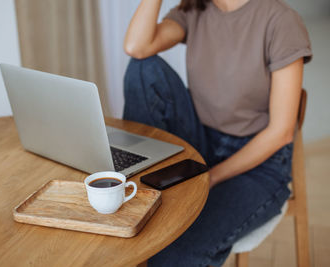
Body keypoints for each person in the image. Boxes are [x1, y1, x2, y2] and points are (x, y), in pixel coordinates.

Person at [123, 0, 312, 266]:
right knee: (143, 67)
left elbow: (281, 132)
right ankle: (138, 181)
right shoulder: (194, 10)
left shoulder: (280, 21)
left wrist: (210, 177)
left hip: (258, 166)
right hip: (199, 143)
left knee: (176, 250)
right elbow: (136, 47)